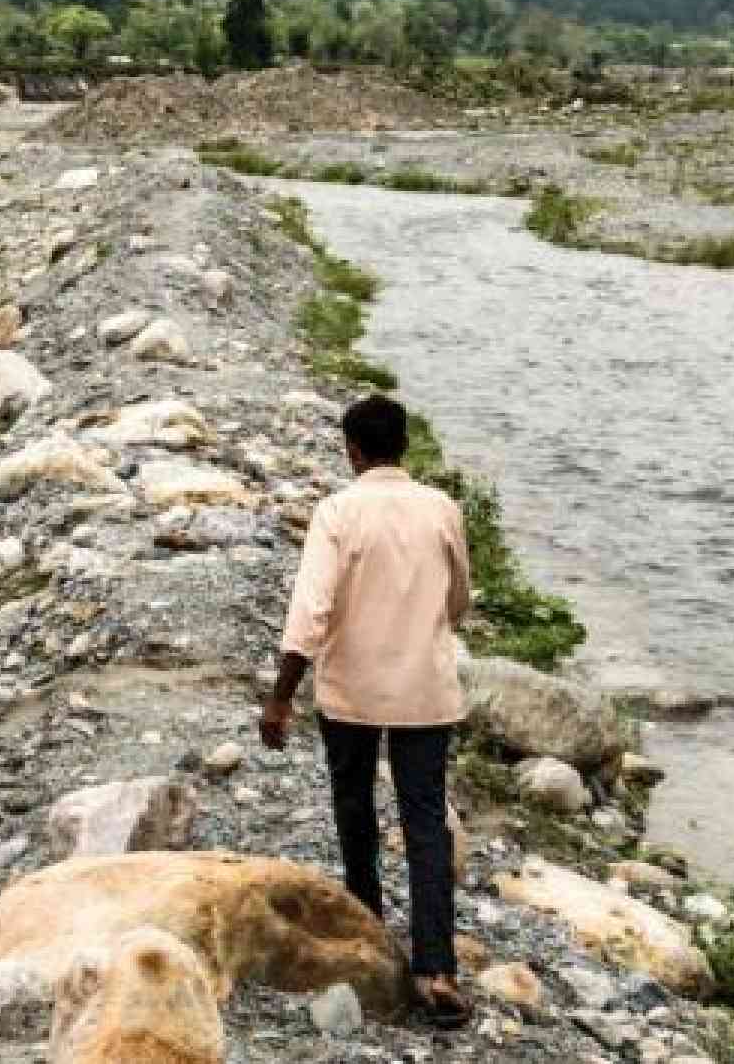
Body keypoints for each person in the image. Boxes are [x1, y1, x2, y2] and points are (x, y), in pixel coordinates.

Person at [258, 394, 473, 1029]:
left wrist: (280, 697)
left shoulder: (338, 512)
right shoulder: (442, 509)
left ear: (352, 450)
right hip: (424, 691)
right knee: (425, 823)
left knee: (355, 810)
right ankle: (436, 969)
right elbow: (458, 598)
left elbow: (311, 612)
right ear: (403, 445)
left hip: (350, 691)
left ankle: (369, 933)